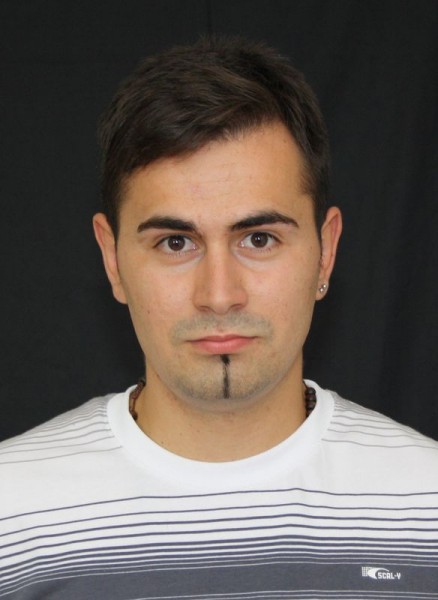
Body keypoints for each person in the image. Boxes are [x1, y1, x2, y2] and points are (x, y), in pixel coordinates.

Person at [0, 36, 437, 599]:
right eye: (175, 242)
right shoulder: (13, 512)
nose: (220, 294)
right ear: (112, 260)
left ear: (326, 252)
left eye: (259, 239)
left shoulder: (425, 505)